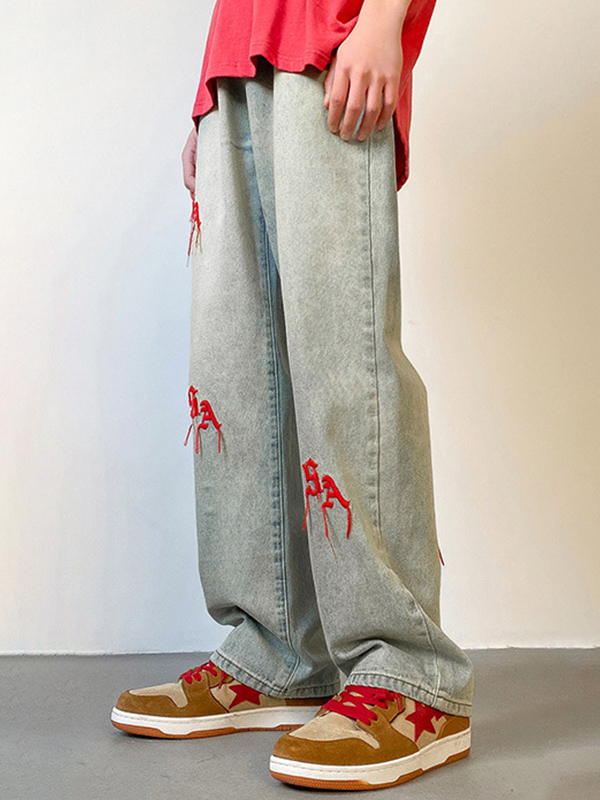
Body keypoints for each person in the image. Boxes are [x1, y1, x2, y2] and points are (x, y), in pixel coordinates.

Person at [110, 0, 475, 790]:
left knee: (342, 355)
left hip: (333, 39)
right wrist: (211, 96)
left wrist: (383, 20)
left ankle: (413, 677)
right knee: (234, 369)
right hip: (236, 62)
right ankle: (277, 652)